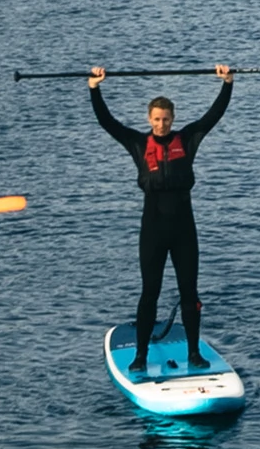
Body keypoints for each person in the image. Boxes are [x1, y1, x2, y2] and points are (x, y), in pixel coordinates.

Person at [90, 63, 233, 371]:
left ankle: (194, 353)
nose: (162, 124)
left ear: (173, 119)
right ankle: (140, 357)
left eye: (166, 119)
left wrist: (227, 83)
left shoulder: (188, 139)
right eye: (156, 119)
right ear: (149, 119)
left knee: (189, 294)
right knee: (149, 293)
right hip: (153, 229)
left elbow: (214, 115)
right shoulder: (139, 144)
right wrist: (94, 88)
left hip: (184, 229)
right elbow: (107, 122)